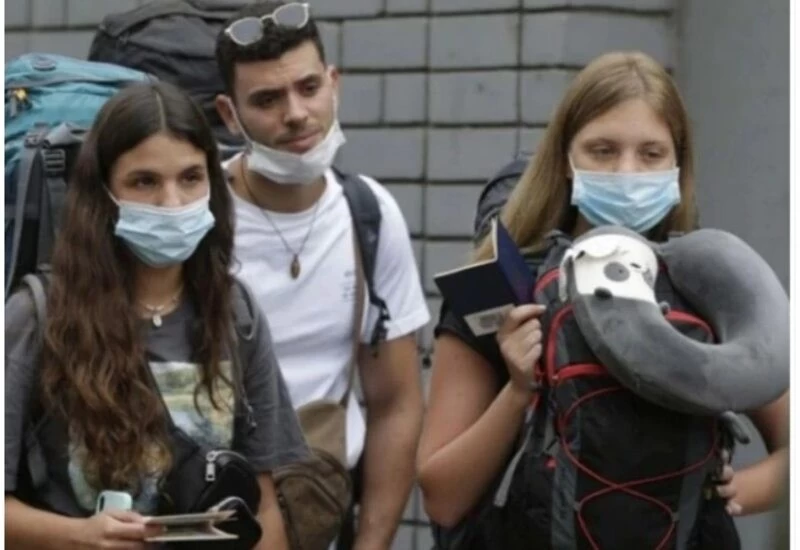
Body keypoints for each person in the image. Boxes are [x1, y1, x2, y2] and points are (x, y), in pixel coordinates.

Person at [417, 51, 789, 548]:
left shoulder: (707, 286)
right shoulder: (502, 287)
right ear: (566, 160)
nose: (626, 172)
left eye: (651, 154)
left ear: (677, 166)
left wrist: (730, 491)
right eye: (603, 150)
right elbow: (442, 498)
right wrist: (518, 391)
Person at [5, 81, 309, 550]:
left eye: (190, 177)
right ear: (102, 192)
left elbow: (263, 506)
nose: (172, 203)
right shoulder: (37, 315)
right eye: (144, 182)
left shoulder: (235, 311)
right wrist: (76, 536)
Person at [213, 2, 430, 548]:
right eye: (266, 99)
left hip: (320, 513)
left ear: (334, 83)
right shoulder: (201, 214)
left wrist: (371, 545)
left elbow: (396, 403)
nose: (295, 114)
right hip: (207, 513)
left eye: (308, 88)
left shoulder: (368, 214)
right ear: (229, 114)